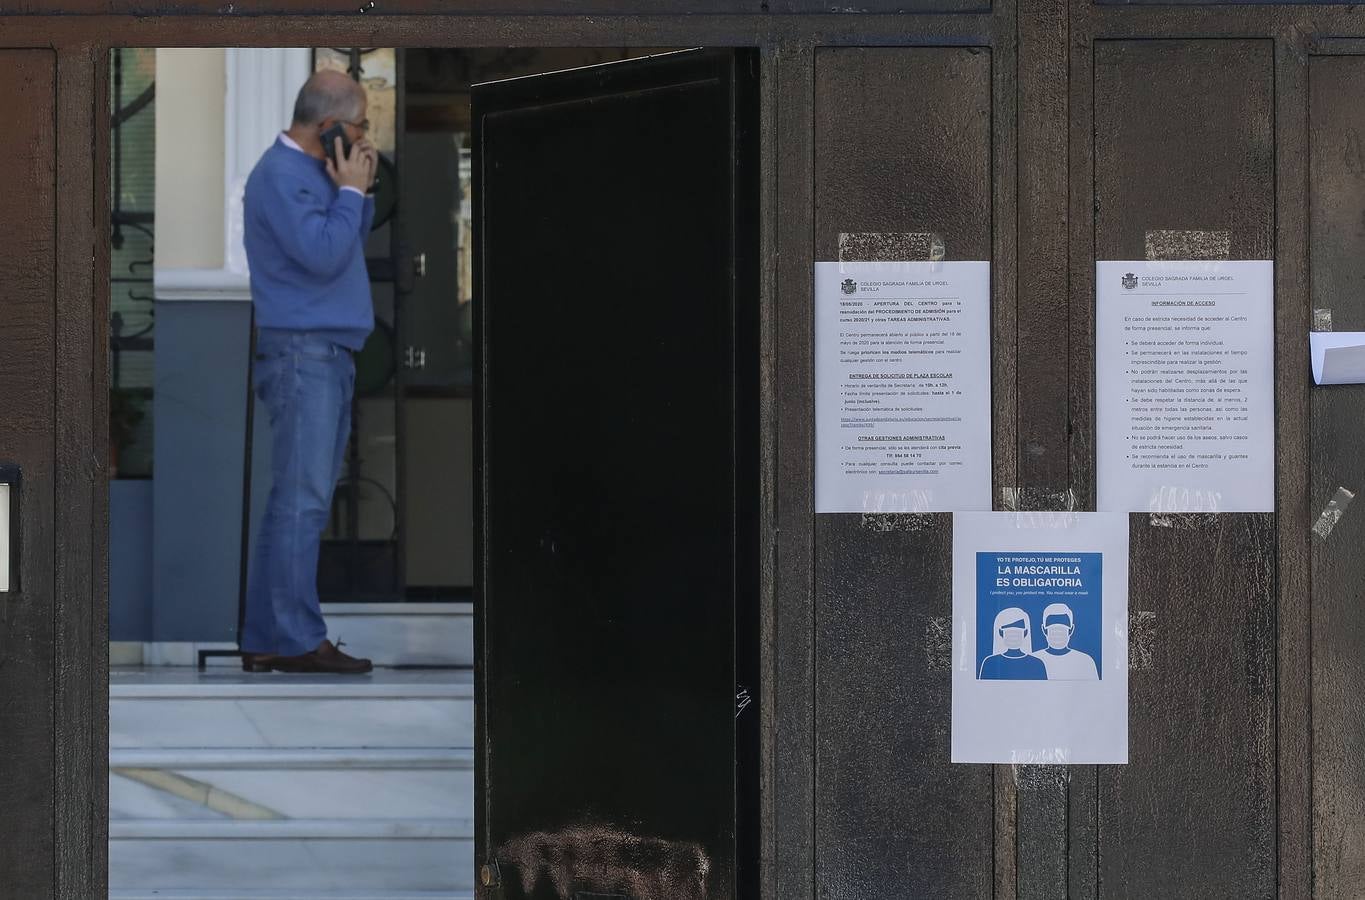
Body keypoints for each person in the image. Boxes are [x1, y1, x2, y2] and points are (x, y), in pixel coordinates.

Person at [239, 70, 380, 674]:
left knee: (298, 503)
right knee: (301, 502)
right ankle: (295, 637)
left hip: (325, 352)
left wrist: (353, 191)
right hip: (304, 353)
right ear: (330, 126)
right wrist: (349, 193)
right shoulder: (279, 176)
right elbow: (323, 254)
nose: (367, 137)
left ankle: (271, 636)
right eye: (362, 125)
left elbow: (345, 244)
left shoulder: (314, 173)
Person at [1030, 602, 1099, 680]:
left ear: (1071, 630)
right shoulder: (1034, 660)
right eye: (1053, 629)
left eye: (1062, 629)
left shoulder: (1086, 661)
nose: (1057, 634)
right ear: (1044, 630)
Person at [978, 607, 1048, 680]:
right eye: (1009, 632)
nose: (1013, 636)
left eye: (1017, 632)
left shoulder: (1037, 664)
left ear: (1025, 633)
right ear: (1001, 633)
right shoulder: (990, 663)